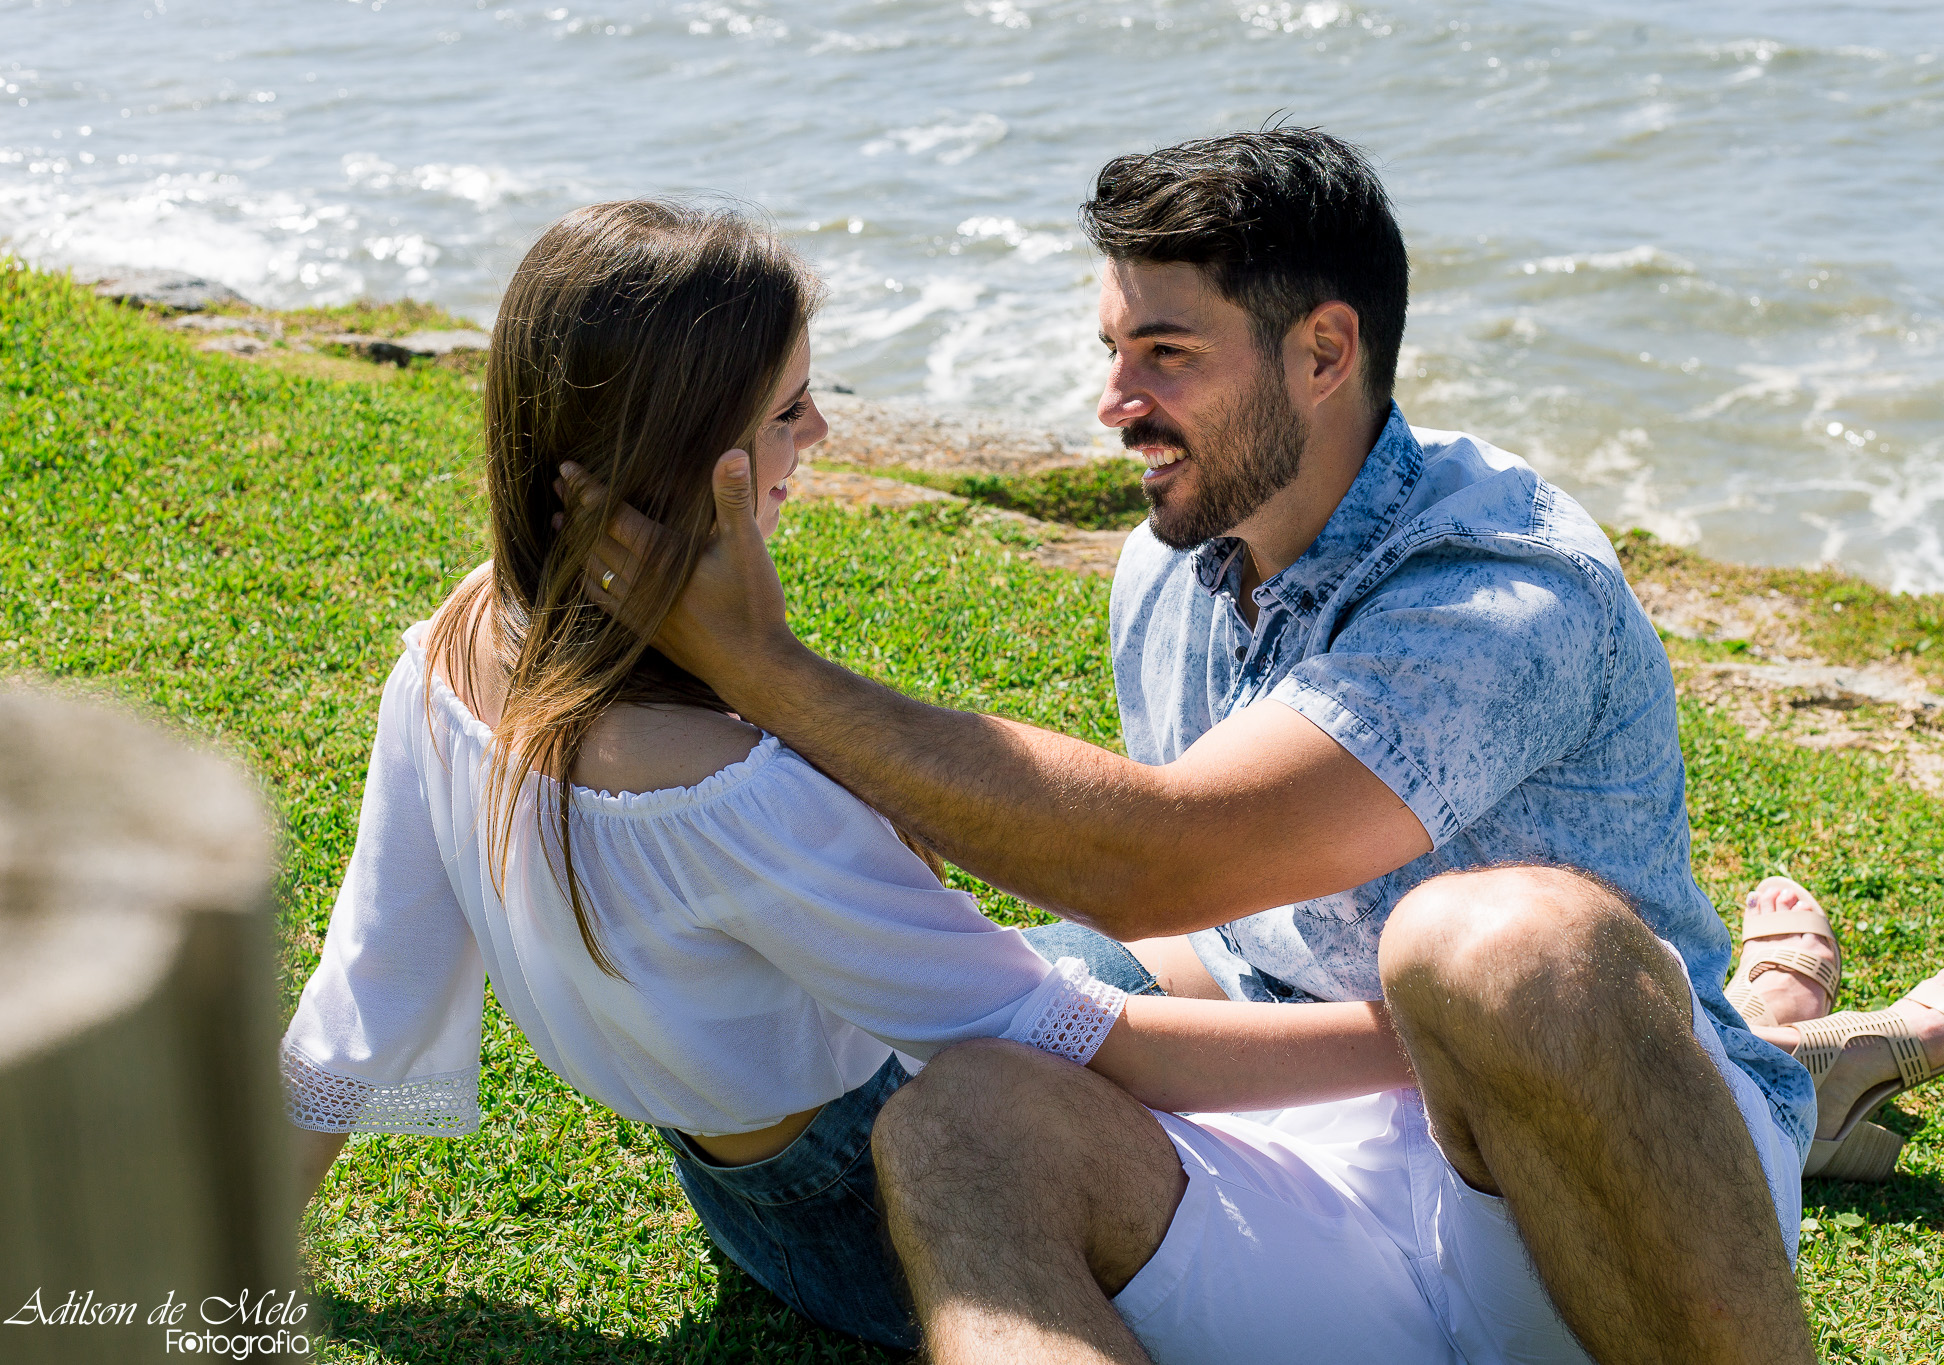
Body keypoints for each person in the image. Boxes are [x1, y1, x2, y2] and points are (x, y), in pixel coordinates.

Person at [563, 130, 1944, 1363]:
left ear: (1325, 351)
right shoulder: (1169, 569)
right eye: (1113, 350)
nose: (1116, 401)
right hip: (1325, 1176)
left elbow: (1163, 857)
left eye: (1165, 354)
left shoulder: (1503, 591)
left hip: (1560, 1179)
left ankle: (1765, 1057)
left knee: (1496, 944)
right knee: (962, 1114)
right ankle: (1787, 1034)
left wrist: (768, 671)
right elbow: (1228, 940)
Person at [278, 197, 1438, 1354]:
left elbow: (369, 981)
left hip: (742, 1198)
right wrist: (1422, 1040)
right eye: (788, 410)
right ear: (687, 460)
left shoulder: (456, 644)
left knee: (1150, 953)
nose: (822, 431)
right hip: (878, 1215)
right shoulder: (728, 795)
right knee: (1266, 1093)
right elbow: (1090, 1045)